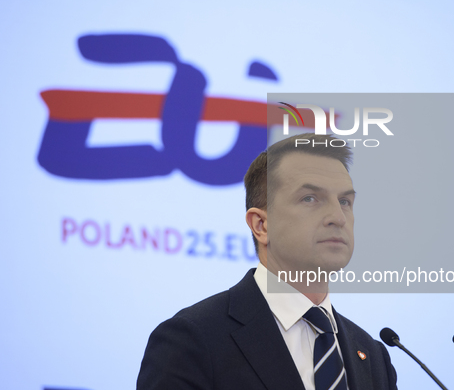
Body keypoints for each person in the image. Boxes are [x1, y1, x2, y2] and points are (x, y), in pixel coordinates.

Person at [137, 133, 397, 390]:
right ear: (261, 225)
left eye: (344, 201)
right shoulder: (192, 340)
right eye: (310, 198)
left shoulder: (373, 357)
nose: (338, 217)